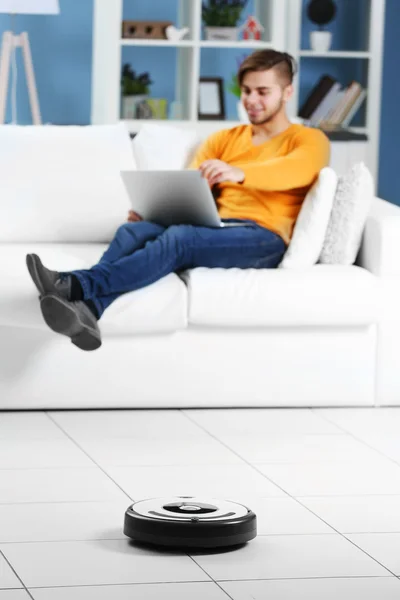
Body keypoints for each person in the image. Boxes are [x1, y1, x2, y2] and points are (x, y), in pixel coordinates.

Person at [26, 49, 330, 352]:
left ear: (287, 92)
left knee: (180, 238)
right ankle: (89, 310)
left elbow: (296, 170)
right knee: (134, 231)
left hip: (264, 238)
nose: (251, 100)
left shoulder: (308, 139)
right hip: (219, 227)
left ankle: (76, 285)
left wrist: (238, 173)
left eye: (263, 92)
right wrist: (155, 213)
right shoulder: (223, 139)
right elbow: (190, 189)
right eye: (247, 91)